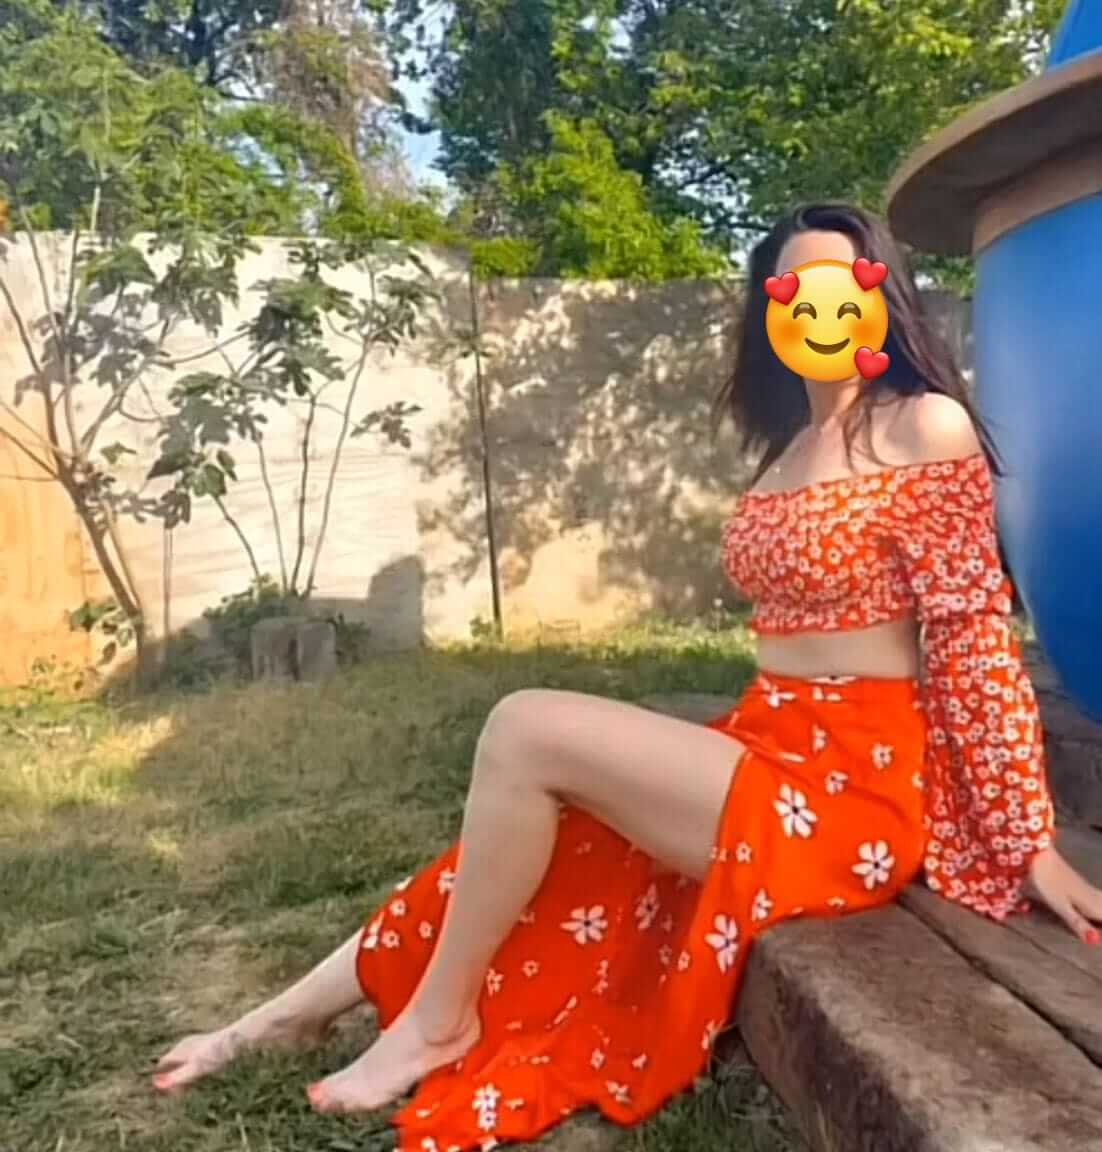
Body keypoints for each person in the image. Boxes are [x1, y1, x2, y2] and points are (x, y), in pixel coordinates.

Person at [153, 203, 1102, 1151]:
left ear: (881, 298)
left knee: (525, 728)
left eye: (842, 284)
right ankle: (282, 1017)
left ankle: (438, 1021)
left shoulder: (925, 425)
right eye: (794, 290)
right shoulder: (790, 448)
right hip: (762, 745)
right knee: (531, 843)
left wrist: (1028, 839)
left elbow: (973, 638)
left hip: (846, 792)